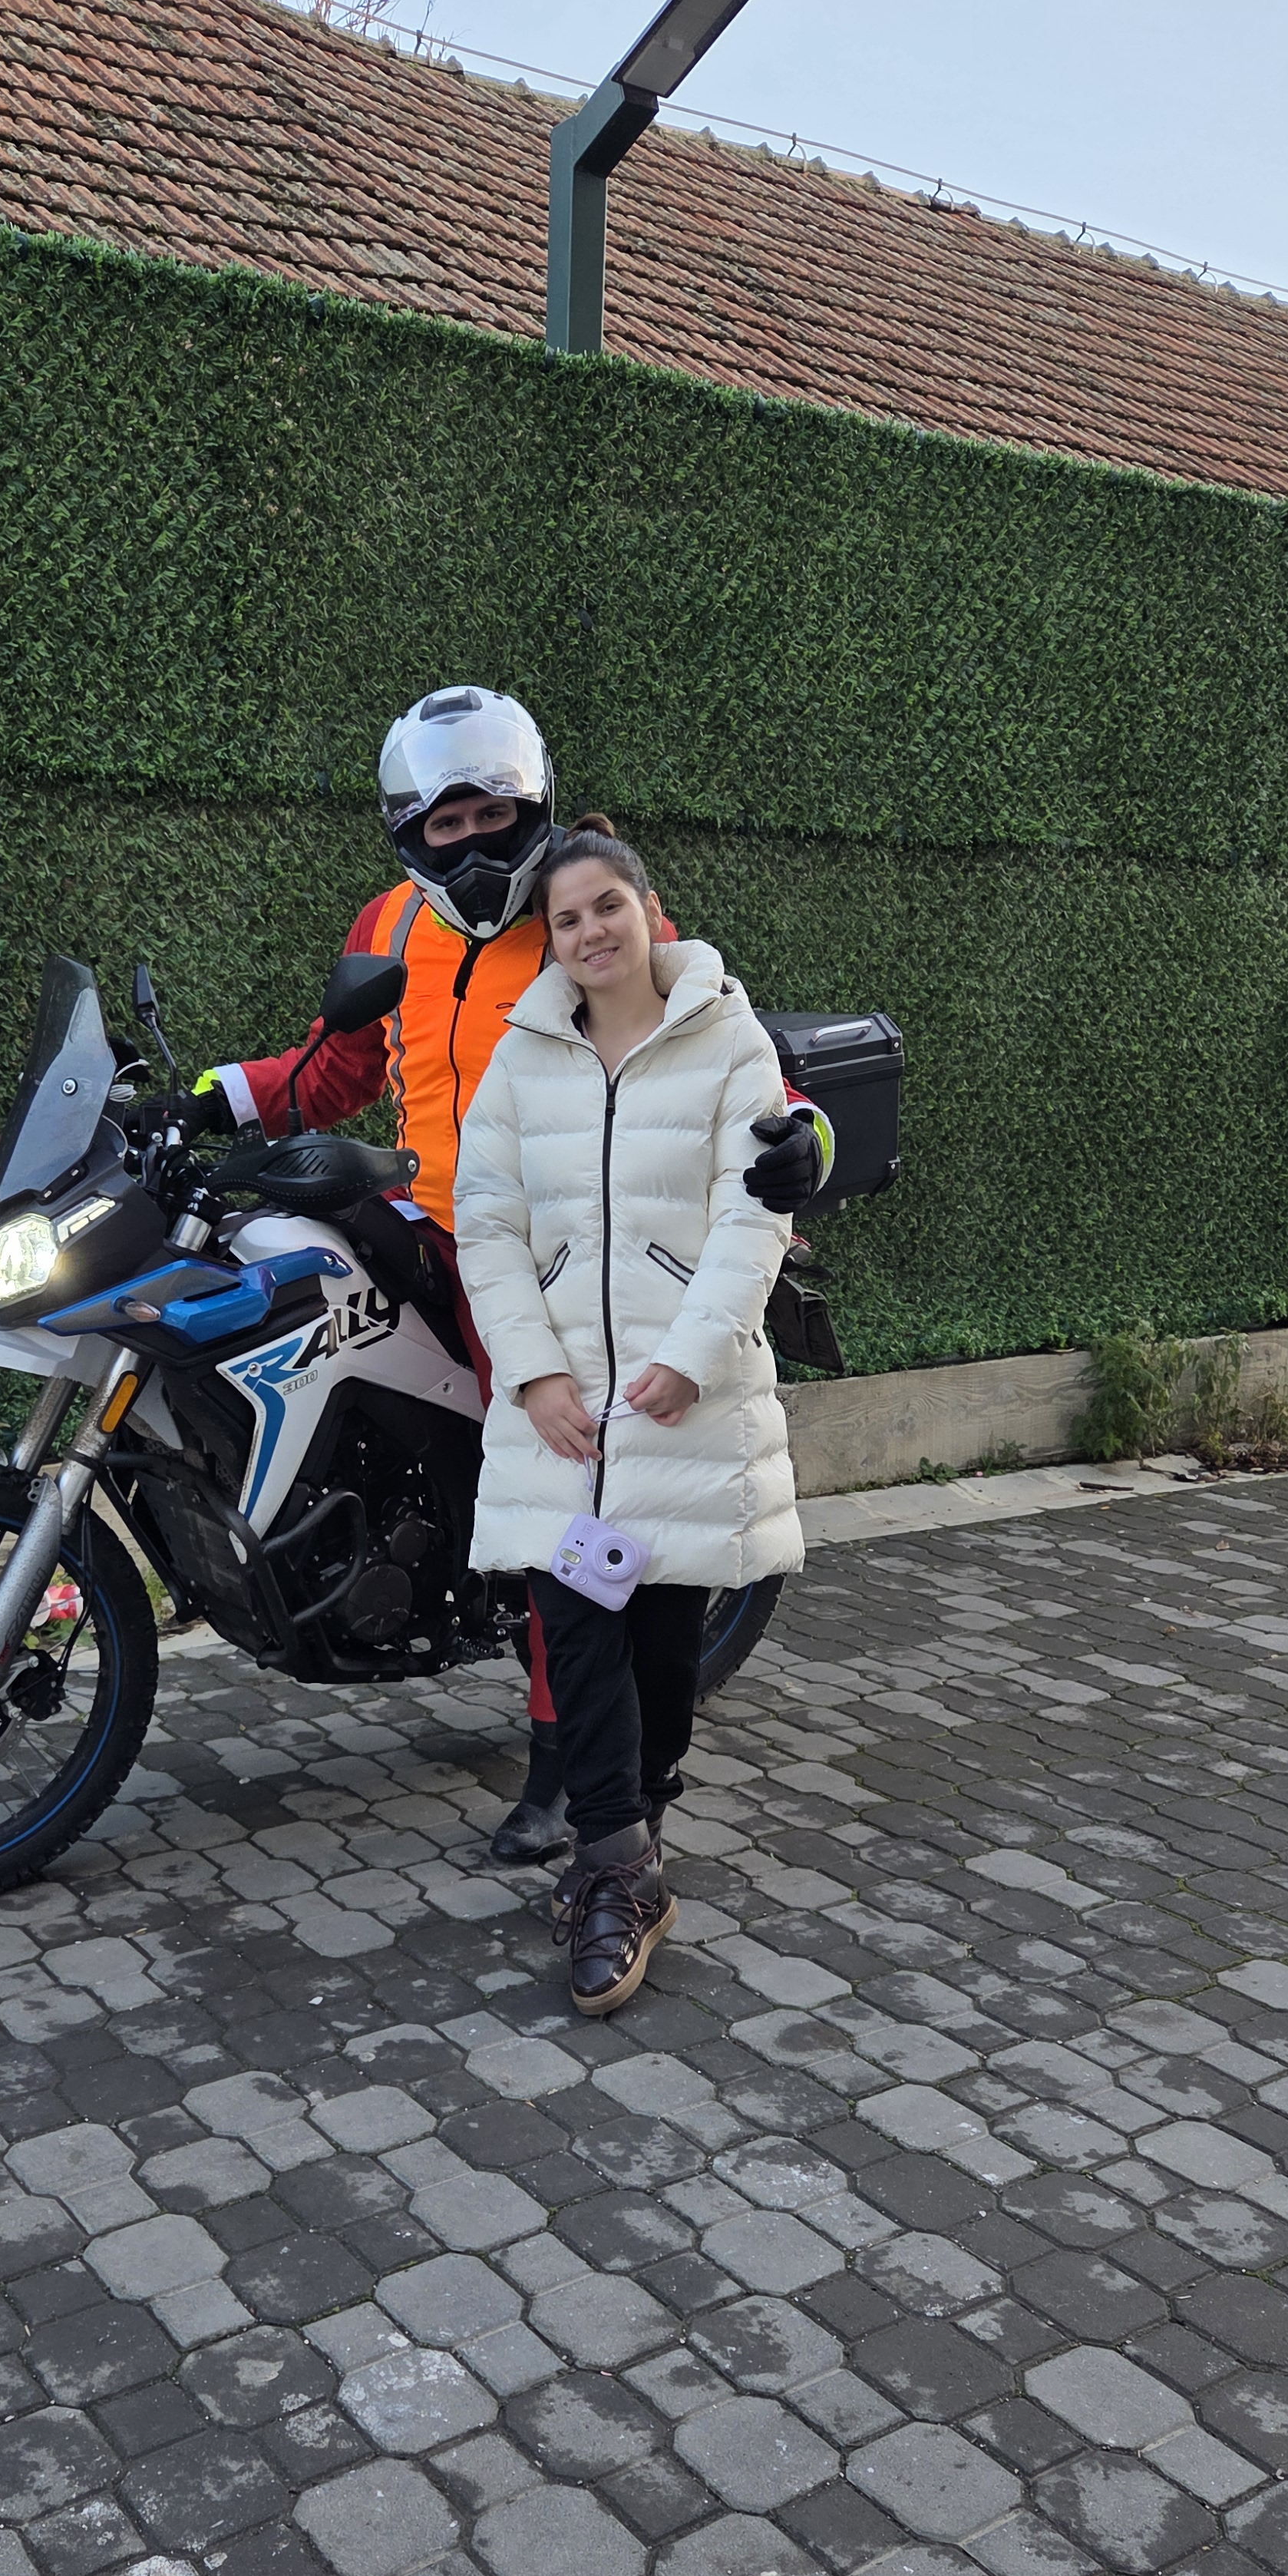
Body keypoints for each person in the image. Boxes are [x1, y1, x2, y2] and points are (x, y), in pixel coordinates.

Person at [190, 688, 822, 1864]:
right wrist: (208, 1097)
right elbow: (333, 1072)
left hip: (559, 1254)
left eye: (493, 815)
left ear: (533, 811)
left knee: (558, 1489)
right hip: (433, 1217)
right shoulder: (389, 924)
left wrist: (797, 1131)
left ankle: (564, 1763)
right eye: (446, 824)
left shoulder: (584, 909)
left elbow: (700, 1036)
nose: (473, 844)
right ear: (409, 835)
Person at [451, 818, 804, 2014]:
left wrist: (692, 1360)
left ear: (650, 910)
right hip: (559, 1410)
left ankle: (629, 1836)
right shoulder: (520, 1057)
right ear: (547, 942)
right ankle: (615, 1867)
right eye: (566, 918)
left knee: (660, 1639)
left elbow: (755, 1209)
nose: (590, 931)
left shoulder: (730, 1039)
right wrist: (532, 1372)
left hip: (678, 1396)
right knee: (574, 1623)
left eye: (608, 905)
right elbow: (488, 1221)